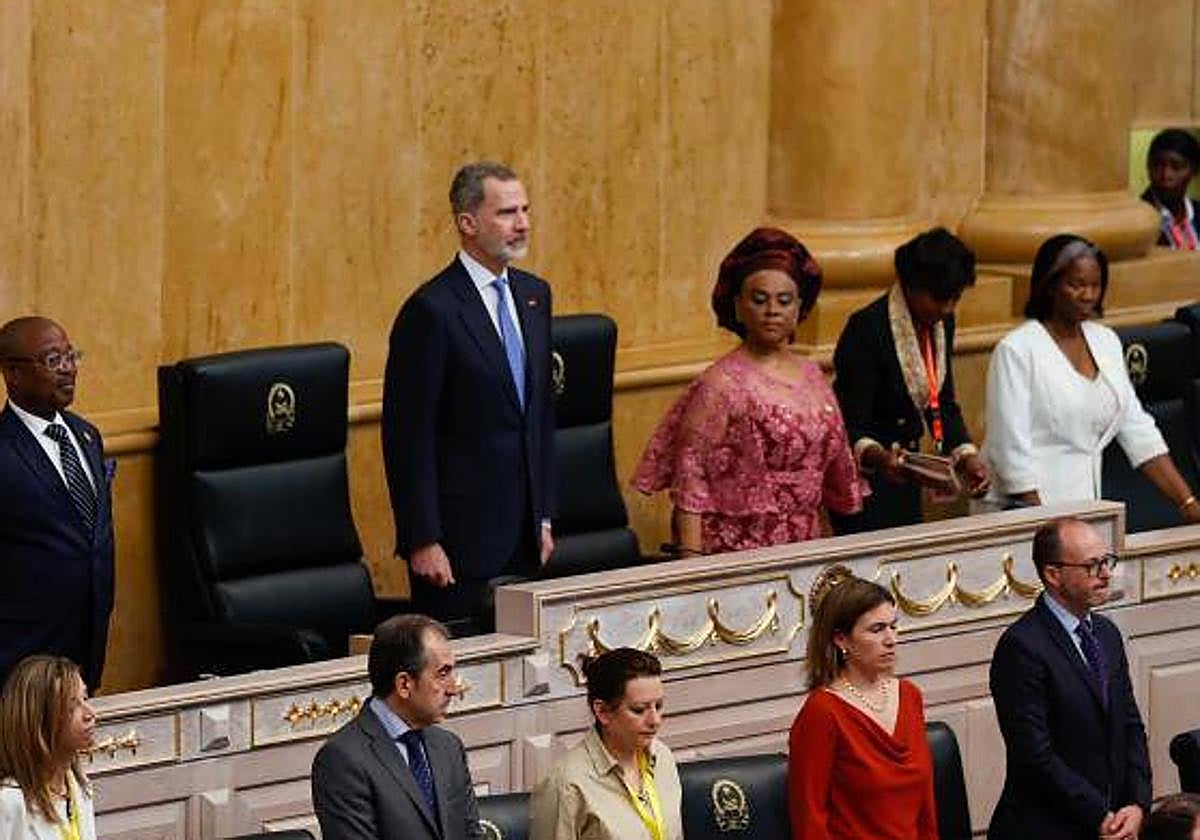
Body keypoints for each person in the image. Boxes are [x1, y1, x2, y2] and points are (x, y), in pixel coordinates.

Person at [382, 161, 555, 630]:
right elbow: (407, 436)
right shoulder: (432, 310)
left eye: (525, 210)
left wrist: (542, 515)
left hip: (524, 535)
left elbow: (536, 419)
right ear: (468, 223)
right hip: (458, 544)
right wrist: (422, 539)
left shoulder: (535, 297)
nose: (522, 223)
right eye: (506, 213)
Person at [632, 227, 865, 555]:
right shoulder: (721, 383)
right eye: (760, 299)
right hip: (737, 552)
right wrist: (690, 567)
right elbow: (691, 479)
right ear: (739, 307)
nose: (772, 310)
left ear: (799, 308)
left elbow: (831, 474)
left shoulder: (814, 376)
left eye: (784, 301)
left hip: (806, 545)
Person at [983, 234, 1200, 521]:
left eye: (1095, 285)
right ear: (1050, 286)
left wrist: (1188, 503)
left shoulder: (1106, 341)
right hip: (1025, 514)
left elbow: (1139, 432)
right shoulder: (1017, 350)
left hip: (1087, 511)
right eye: (1077, 285)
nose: (1088, 295)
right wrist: (1046, 527)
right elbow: (1010, 455)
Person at [988, 517, 1151, 840]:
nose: (1106, 574)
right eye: (1092, 565)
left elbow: (1130, 725)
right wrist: (1098, 815)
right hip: (1049, 828)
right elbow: (1034, 754)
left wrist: (1137, 802)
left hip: (1118, 823)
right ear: (1053, 574)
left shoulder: (1106, 634)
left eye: (1107, 561)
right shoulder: (1022, 646)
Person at [832, 227, 989, 532]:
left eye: (955, 299)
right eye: (939, 299)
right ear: (910, 286)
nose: (947, 309)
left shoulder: (942, 323)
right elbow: (848, 424)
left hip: (908, 476)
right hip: (865, 483)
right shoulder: (866, 328)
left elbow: (940, 400)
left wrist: (966, 455)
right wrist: (882, 459)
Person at [0, 317, 115, 691]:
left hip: (87, 644)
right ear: (13, 374)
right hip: (21, 658)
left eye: (71, 356)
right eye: (53, 360)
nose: (69, 369)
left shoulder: (86, 435)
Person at [788, 569, 937, 840]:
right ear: (841, 639)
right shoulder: (822, 712)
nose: (891, 640)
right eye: (877, 629)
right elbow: (809, 819)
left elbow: (925, 806)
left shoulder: (910, 695)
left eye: (893, 626)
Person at [311, 614, 483, 840]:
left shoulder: (448, 747)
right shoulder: (343, 760)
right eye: (443, 674)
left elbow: (471, 834)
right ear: (404, 684)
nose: (454, 688)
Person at [530, 647, 682, 840]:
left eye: (658, 706)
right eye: (639, 710)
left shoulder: (663, 757)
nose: (655, 720)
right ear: (602, 712)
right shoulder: (565, 784)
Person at [0, 655, 98, 840]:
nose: (90, 713)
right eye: (72, 706)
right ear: (39, 721)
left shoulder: (79, 786)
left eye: (85, 697)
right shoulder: (9, 802)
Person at [1140, 128, 1200, 250]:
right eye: (1157, 165)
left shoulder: (1197, 211)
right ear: (1148, 166)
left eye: (1176, 167)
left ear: (1193, 171)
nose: (1166, 175)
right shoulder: (1138, 218)